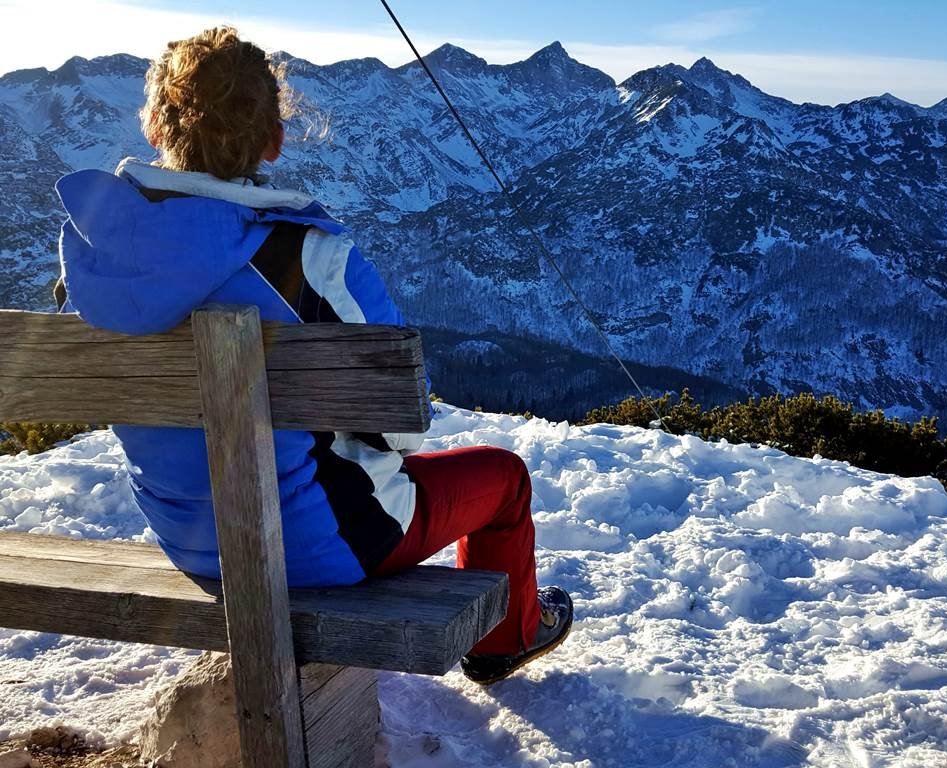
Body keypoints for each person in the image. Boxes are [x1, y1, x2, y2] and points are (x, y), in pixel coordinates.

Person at [53, 26, 571, 685]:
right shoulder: (309, 258)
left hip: (188, 540)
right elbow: (401, 428)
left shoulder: (94, 259)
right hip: (318, 548)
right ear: (274, 139)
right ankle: (507, 638)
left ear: (155, 124)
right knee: (504, 476)